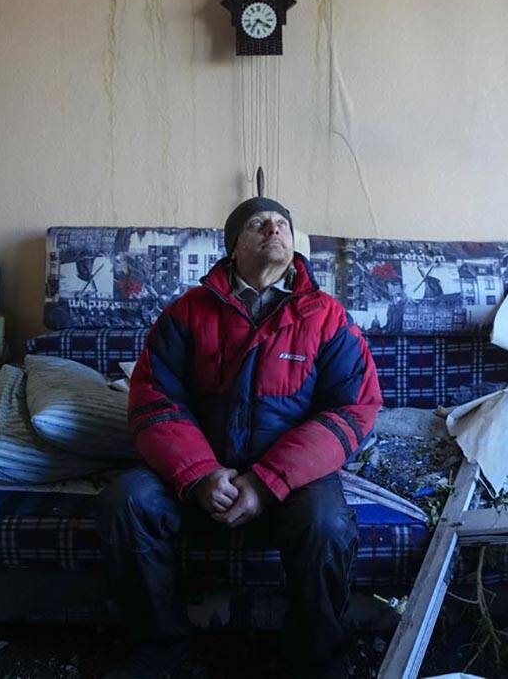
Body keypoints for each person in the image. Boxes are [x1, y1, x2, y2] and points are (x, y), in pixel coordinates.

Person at [97, 197, 383, 679]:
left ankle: (316, 658)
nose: (273, 229)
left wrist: (267, 481)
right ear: (232, 248)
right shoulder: (187, 313)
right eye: (257, 224)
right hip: (199, 483)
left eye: (282, 224)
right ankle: (158, 647)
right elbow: (152, 401)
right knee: (126, 501)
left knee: (329, 525)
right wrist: (201, 474)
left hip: (289, 484)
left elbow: (353, 408)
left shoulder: (327, 318)